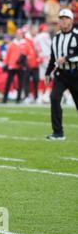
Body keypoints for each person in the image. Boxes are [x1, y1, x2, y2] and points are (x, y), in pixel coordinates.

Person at [45, 9, 78, 140]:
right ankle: (58, 132)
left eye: (66, 18)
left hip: (75, 73)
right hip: (61, 74)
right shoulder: (56, 37)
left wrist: (67, 58)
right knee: (54, 98)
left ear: (71, 20)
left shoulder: (76, 35)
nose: (64, 21)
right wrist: (48, 72)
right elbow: (53, 58)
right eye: (61, 18)